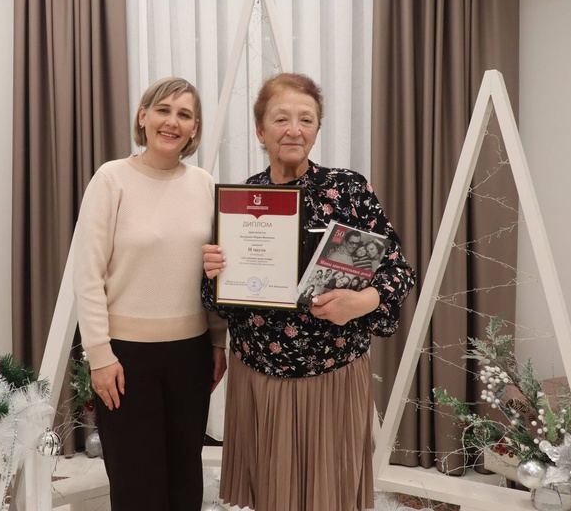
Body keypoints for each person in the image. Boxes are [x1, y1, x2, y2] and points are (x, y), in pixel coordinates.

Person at [201, 72, 416, 511]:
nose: (294, 129)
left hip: (332, 374)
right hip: (260, 376)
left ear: (317, 129)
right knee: (271, 493)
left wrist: (361, 302)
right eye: (281, 119)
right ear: (260, 130)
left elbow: (398, 271)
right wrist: (213, 274)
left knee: (328, 494)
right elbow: (218, 300)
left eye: (306, 119)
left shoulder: (348, 190)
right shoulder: (243, 200)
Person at [74, 77, 228, 511]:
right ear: (143, 117)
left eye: (184, 114)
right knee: (137, 486)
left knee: (185, 483)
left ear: (195, 128)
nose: (172, 122)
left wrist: (218, 341)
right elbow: (88, 274)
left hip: (192, 354)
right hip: (126, 359)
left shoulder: (204, 184)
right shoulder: (111, 179)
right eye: (163, 110)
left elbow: (213, 270)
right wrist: (100, 356)